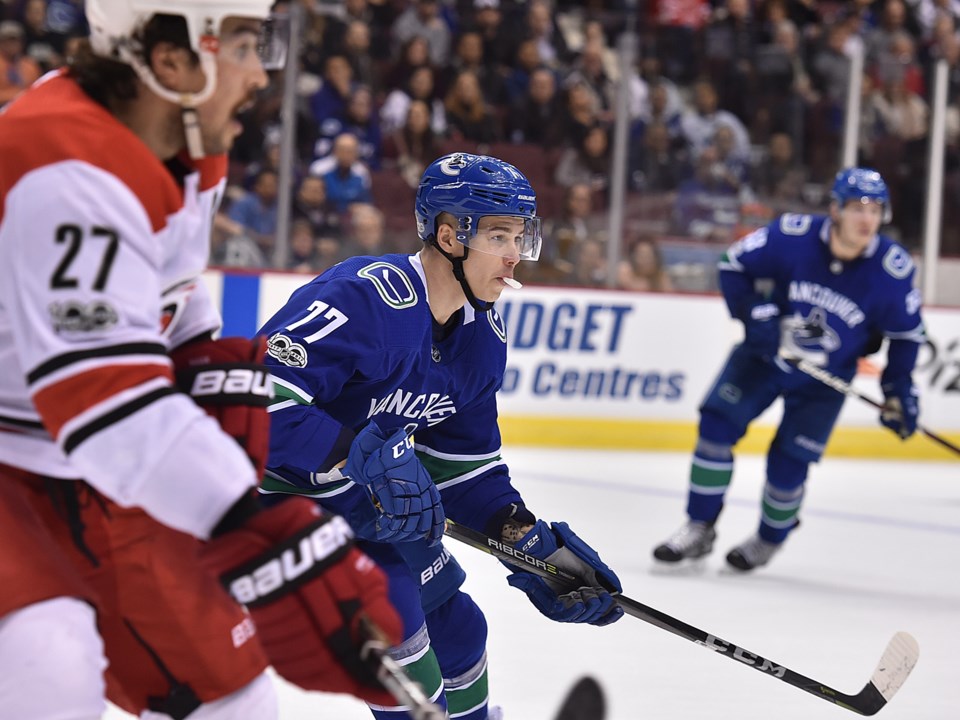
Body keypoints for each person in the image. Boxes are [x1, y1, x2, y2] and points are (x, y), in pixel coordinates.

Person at [0, 2, 402, 718]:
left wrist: (200, 351)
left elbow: (169, 291)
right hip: (25, 461)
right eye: (245, 45)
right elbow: (108, 406)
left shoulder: (190, 146)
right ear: (171, 60)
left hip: (83, 468)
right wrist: (265, 525)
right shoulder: (66, 163)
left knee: (235, 698)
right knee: (48, 666)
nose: (260, 76)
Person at [258, 152, 624, 719]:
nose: (514, 256)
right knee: (398, 619)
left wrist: (527, 543)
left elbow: (465, 469)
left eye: (521, 237)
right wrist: (351, 453)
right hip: (277, 499)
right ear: (450, 236)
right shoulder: (363, 299)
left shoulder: (482, 337)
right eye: (499, 235)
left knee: (459, 631)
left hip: (361, 503)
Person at [652, 168, 925, 571]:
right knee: (716, 427)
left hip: (825, 382)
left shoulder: (891, 271)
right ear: (835, 209)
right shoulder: (792, 236)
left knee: (789, 465)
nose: (867, 219)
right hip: (764, 357)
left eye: (876, 209)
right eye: (857, 208)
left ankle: (768, 539)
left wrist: (898, 390)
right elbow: (732, 263)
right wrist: (755, 315)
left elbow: (906, 335)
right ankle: (699, 527)